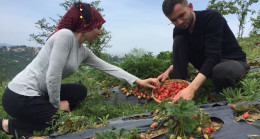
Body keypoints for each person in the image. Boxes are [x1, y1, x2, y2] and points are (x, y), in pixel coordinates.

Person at [0, 2, 160, 138]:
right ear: (86, 25)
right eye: (98, 27)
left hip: (40, 93)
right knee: (60, 123)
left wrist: (139, 81)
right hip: (18, 96)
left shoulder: (82, 50)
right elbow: (53, 76)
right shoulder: (64, 36)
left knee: (80, 90)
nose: (100, 32)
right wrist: (57, 104)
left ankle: (43, 110)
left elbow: (109, 67)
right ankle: (7, 124)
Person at [157, 0, 250, 103]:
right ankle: (179, 91)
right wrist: (168, 71)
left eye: (182, 15)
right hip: (208, 64)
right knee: (179, 41)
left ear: (190, 7)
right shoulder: (178, 30)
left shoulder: (211, 18)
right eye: (174, 20)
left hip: (231, 61)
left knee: (221, 72)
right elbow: (181, 55)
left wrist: (192, 88)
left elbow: (213, 56)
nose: (179, 22)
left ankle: (238, 72)